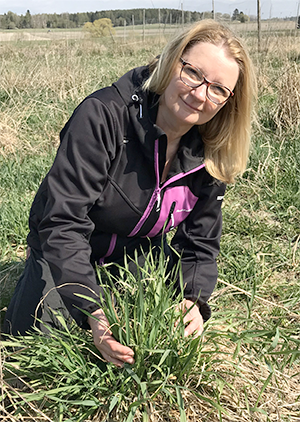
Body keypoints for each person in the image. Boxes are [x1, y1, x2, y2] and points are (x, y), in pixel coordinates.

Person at [3, 20, 256, 367]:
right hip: (65, 245)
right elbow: (62, 220)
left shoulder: (210, 151)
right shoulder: (103, 116)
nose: (200, 93)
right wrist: (92, 309)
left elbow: (200, 243)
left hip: (137, 251)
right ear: (172, 62)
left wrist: (193, 300)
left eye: (218, 89)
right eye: (193, 73)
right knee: (30, 349)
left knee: (165, 328)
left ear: (229, 101)